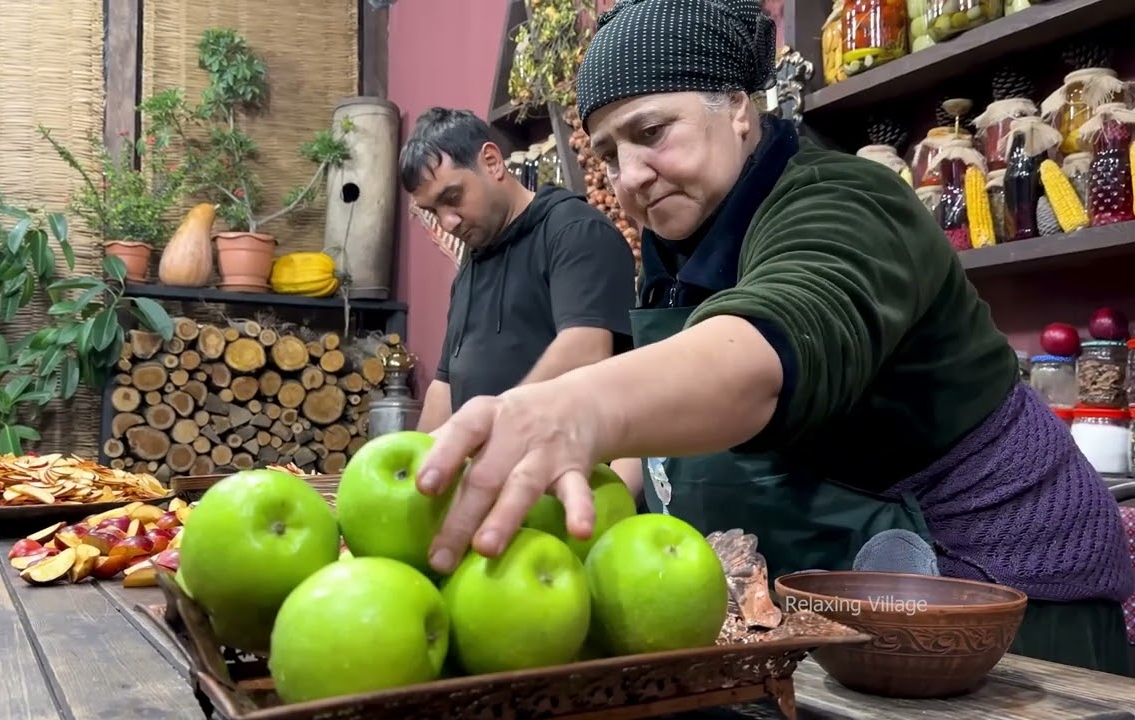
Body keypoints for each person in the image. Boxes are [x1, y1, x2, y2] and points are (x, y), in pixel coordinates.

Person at [411, 0, 1135, 676]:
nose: (629, 175)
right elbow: (661, 446)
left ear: (737, 109)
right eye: (607, 152)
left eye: (652, 132)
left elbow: (766, 349)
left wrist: (573, 408)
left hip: (1005, 599)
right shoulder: (677, 250)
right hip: (846, 614)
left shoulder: (845, 201)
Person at [399, 107, 637, 433]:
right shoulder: (471, 264)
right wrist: (418, 470)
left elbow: (586, 349)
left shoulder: (574, 231)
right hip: (487, 473)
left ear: (492, 162)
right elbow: (445, 384)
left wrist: (487, 429)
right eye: (432, 211)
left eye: (453, 197)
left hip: (570, 471)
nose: (447, 222)